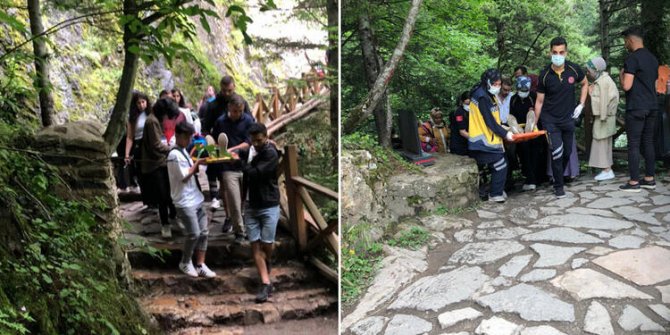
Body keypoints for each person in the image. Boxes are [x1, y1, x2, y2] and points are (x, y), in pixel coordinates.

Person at [535, 36, 588, 198]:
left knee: (566, 153)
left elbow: (585, 84)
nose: (558, 55)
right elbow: (539, 101)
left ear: (566, 52)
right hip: (550, 120)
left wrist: (581, 104)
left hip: (568, 119)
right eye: (555, 52)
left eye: (561, 52)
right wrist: (534, 123)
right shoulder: (544, 75)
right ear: (550, 52)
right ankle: (559, 186)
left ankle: (559, 177)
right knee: (556, 152)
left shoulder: (574, 69)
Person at [167, 121, 216, 278]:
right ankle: (185, 262)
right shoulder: (174, 155)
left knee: (204, 232)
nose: (189, 141)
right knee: (193, 233)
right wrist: (198, 164)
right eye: (187, 137)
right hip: (184, 201)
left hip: (195, 198)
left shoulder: (183, 151)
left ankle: (200, 264)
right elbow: (183, 176)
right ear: (179, 136)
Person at [239, 123, 280, 303]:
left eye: (259, 140)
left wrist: (241, 164)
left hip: (269, 204)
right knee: (255, 246)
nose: (256, 144)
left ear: (266, 136)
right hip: (251, 205)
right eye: (253, 140)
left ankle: (268, 260)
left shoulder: (270, 153)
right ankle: (265, 284)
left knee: (267, 244)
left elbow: (256, 173)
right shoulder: (250, 151)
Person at [202, 76, 252, 211]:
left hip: (240, 148)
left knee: (239, 184)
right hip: (219, 145)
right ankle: (227, 213)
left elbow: (250, 123)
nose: (227, 93)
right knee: (223, 181)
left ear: (234, 87)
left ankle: (238, 212)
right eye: (224, 91)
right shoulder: (213, 105)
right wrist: (211, 144)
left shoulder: (241, 102)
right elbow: (205, 127)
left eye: (229, 90)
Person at [619, 26, 659, 192]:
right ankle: (649, 178)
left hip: (636, 107)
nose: (625, 44)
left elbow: (627, 86)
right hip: (652, 106)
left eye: (625, 41)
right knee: (648, 141)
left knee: (634, 144)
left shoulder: (632, 59)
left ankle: (634, 181)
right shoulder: (652, 59)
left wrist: (621, 75)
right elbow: (655, 85)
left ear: (630, 40)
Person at [212, 94, 255, 243]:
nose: (237, 114)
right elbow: (215, 141)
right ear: (229, 108)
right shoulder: (220, 122)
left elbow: (250, 141)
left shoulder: (248, 120)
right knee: (234, 201)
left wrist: (233, 149)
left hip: (245, 165)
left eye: (240, 111)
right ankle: (239, 233)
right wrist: (222, 152)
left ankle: (249, 229)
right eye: (235, 111)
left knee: (245, 201)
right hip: (228, 167)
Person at [468, 68, 514, 203]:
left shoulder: (488, 94)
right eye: (495, 84)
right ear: (487, 82)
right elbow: (489, 121)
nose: (497, 87)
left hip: (491, 139)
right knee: (500, 164)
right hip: (482, 141)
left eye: (499, 84)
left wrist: (504, 128)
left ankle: (497, 190)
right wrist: (505, 134)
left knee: (502, 163)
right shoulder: (481, 96)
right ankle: (495, 194)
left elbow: (494, 118)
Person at [141, 98, 179, 238]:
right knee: (163, 195)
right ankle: (165, 224)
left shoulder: (155, 119)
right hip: (155, 164)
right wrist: (172, 148)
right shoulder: (152, 121)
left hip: (161, 162)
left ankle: (173, 217)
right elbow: (156, 145)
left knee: (169, 193)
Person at [586, 56, 619, 181]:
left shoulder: (603, 82)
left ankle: (607, 170)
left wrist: (590, 94)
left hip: (604, 117)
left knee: (601, 142)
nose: (587, 73)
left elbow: (604, 101)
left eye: (589, 70)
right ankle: (606, 169)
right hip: (605, 117)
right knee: (603, 142)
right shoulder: (602, 79)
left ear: (596, 69)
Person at [510, 76, 541, 191]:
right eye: (521, 91)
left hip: (534, 132)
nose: (523, 93)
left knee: (535, 155)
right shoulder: (513, 99)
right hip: (521, 134)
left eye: (525, 91)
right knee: (524, 156)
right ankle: (529, 179)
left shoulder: (533, 96)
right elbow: (511, 117)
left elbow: (539, 112)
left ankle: (537, 179)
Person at [124, 92, 151, 199]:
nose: (141, 105)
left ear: (147, 102)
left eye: (143, 102)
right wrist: (127, 154)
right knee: (141, 173)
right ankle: (147, 199)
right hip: (139, 146)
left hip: (150, 144)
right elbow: (130, 137)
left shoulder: (151, 113)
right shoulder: (133, 118)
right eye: (138, 103)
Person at [449, 91, 470, 156]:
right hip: (459, 145)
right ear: (462, 101)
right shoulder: (459, 112)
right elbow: (462, 132)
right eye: (468, 104)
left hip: (466, 143)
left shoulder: (469, 111)